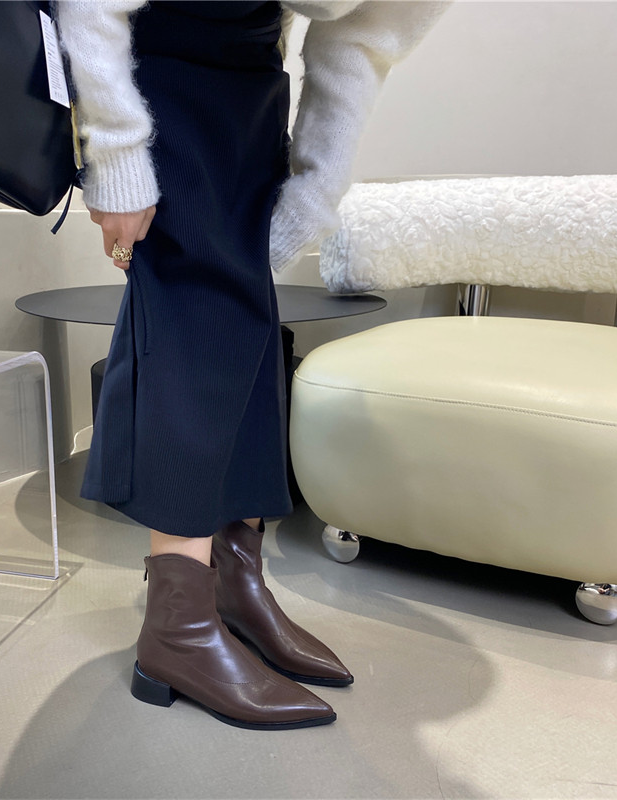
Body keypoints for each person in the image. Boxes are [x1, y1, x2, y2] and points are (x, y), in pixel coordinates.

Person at [56, 0, 451, 730]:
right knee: (195, 324)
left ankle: (235, 584)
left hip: (251, 91)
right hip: (156, 71)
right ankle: (177, 631)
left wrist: (316, 187)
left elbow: (360, 38)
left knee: (250, 330)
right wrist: (116, 153)